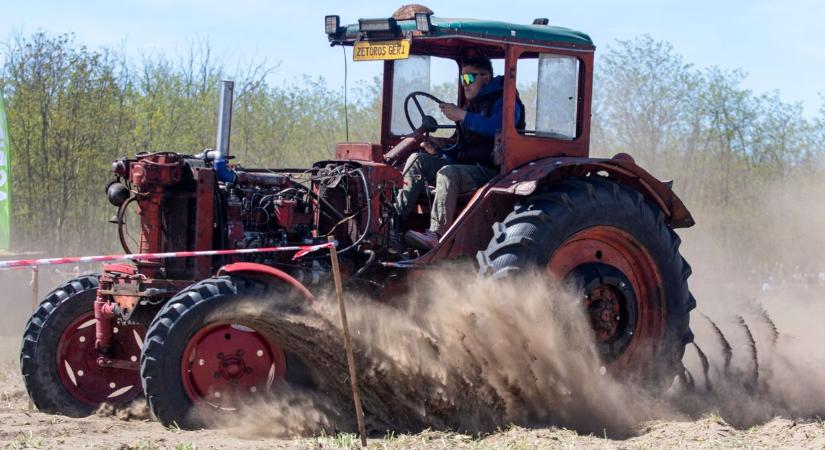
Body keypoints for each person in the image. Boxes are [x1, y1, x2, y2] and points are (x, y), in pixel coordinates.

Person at [395, 56, 525, 251]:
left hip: (493, 172)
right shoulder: (471, 106)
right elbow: (459, 151)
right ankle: (393, 223)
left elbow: (500, 127)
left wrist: (462, 116)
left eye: (469, 79)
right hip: (467, 168)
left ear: (486, 78)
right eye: (462, 80)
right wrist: (438, 149)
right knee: (417, 160)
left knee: (448, 173)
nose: (465, 85)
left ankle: (436, 234)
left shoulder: (505, 100)